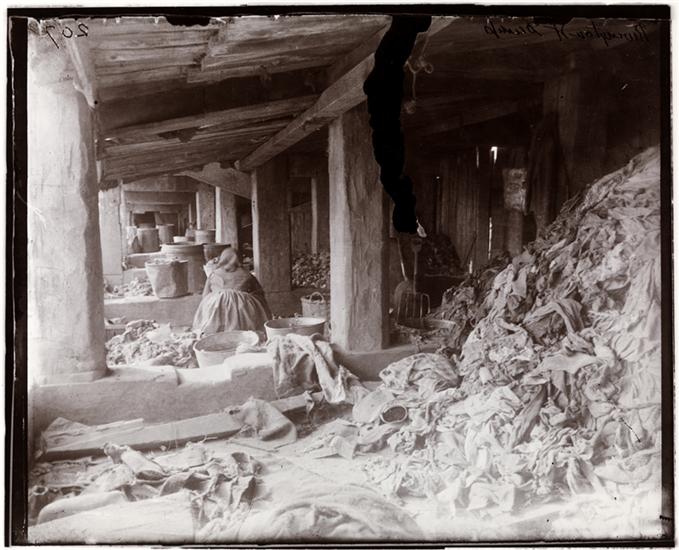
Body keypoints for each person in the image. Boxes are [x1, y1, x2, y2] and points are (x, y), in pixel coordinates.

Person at [192, 248, 272, 336]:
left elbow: (205, 295)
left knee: (212, 306)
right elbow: (259, 293)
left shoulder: (214, 274)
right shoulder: (247, 275)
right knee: (248, 307)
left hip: (217, 310)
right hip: (241, 312)